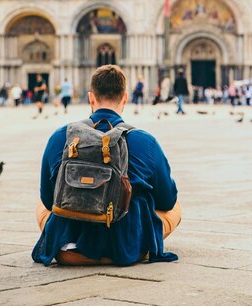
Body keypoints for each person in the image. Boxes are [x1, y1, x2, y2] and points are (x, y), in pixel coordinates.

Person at [32, 64, 180, 266]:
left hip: (68, 250)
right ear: (125, 98)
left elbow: (49, 201)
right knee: (176, 207)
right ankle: (130, 236)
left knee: (42, 205)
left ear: (91, 98)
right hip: (128, 249)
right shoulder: (146, 141)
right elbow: (167, 201)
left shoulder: (61, 136)